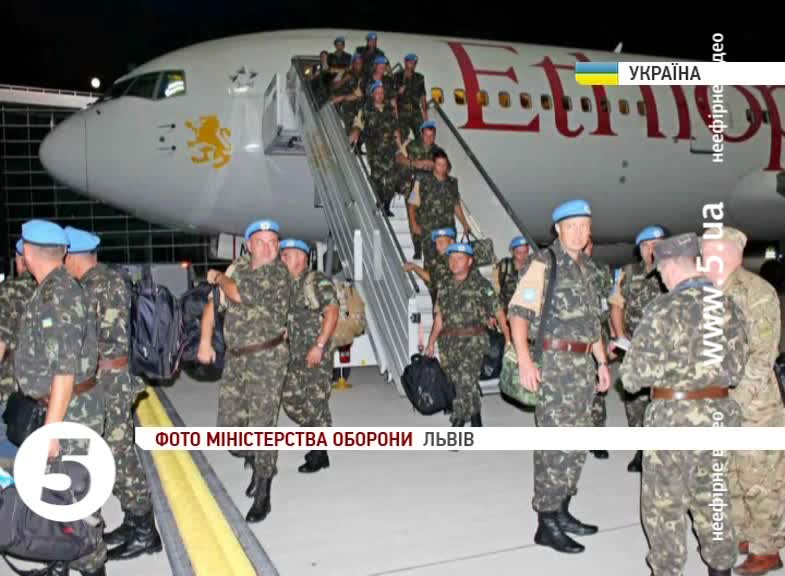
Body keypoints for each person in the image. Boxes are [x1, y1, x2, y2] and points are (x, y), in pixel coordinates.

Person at [621, 232, 747, 576]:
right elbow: (736, 370)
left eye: (661, 271)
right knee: (715, 500)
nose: (661, 278)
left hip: (672, 421)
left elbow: (631, 377)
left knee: (664, 507)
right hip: (719, 418)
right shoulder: (728, 307)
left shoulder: (662, 309)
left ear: (670, 267)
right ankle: (721, 567)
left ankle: (668, 569)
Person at [508, 199, 610, 554]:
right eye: (572, 226)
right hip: (554, 366)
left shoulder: (589, 269)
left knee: (577, 443)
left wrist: (601, 363)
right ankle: (546, 521)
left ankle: (563, 509)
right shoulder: (543, 263)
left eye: (584, 226)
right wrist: (525, 360)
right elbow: (518, 313)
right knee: (554, 446)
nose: (579, 233)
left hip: (582, 367)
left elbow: (594, 323)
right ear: (558, 229)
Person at [63, 227, 162, 561]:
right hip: (107, 378)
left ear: (73, 256)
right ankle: (135, 522)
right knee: (112, 453)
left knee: (119, 456)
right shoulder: (102, 280)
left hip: (108, 381)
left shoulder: (95, 285)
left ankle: (146, 532)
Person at [15, 220, 105, 576]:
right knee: (57, 497)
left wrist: (51, 433)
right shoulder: (52, 288)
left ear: (27, 251)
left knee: (77, 503)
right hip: (61, 409)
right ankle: (60, 563)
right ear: (64, 252)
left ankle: (93, 568)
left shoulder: (58, 295)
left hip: (70, 414)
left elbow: (64, 372)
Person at [702, 227, 785, 575]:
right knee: (732, 475)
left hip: (755, 407)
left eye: (709, 250)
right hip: (721, 402)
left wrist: (732, 400)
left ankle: (768, 548)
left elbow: (762, 358)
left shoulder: (757, 292)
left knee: (760, 479)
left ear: (730, 252)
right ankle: (745, 535)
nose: (704, 257)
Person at [198, 219, 292, 523]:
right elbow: (214, 304)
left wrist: (218, 277)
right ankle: (255, 459)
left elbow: (238, 294)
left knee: (263, 426)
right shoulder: (237, 268)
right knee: (229, 431)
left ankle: (263, 490)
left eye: (273, 242)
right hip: (236, 359)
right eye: (260, 242)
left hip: (268, 358)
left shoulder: (278, 273)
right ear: (248, 245)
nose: (267, 248)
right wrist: (205, 341)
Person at [425, 243, 509, 426]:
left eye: (459, 258)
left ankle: (458, 421)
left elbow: (499, 313)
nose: (454, 262)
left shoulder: (481, 285)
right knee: (460, 382)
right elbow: (439, 318)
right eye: (451, 258)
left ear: (470, 261)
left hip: (473, 342)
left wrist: (509, 340)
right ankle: (476, 421)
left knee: (464, 381)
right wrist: (431, 342)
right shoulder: (444, 286)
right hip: (449, 343)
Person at [608, 225, 667, 472]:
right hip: (636, 348)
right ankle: (642, 451)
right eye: (645, 246)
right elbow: (616, 306)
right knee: (635, 402)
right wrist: (620, 336)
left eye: (656, 245)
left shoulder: (674, 270)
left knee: (666, 400)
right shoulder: (628, 273)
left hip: (667, 350)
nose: (651, 250)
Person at [279, 239, 339, 474]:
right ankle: (318, 433)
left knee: (315, 402)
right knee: (290, 400)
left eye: (287, 255)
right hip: (295, 354)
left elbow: (332, 312)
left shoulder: (317, 281)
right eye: (282, 255)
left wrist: (320, 345)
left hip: (317, 354)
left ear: (302, 258)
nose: (282, 259)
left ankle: (318, 454)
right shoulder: (289, 285)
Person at [0, 239, 37, 465]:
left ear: (21, 259)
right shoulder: (58, 289)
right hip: (49, 390)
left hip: (11, 390)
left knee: (8, 452)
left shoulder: (10, 291)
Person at [407, 150, 471, 272]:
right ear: (433, 164)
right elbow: (412, 203)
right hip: (429, 229)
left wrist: (464, 223)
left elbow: (456, 205)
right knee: (430, 264)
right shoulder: (422, 180)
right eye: (439, 164)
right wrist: (413, 223)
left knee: (449, 263)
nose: (441, 168)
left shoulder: (452, 183)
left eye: (444, 165)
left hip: (448, 230)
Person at [349, 81, 401, 217]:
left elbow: (396, 129)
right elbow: (357, 124)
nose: (380, 95)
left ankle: (386, 205)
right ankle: (380, 200)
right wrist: (353, 136)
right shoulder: (366, 109)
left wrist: (400, 149)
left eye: (381, 93)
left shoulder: (390, 109)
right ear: (372, 94)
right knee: (376, 178)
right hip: (374, 150)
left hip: (390, 149)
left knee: (391, 179)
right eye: (377, 93)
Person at [582, 234, 614, 460]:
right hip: (570, 335)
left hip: (596, 334)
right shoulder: (562, 269)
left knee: (597, 386)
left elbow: (610, 304)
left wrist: (613, 335)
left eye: (588, 244)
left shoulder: (601, 270)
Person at [396, 120, 444, 259]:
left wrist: (434, 165)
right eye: (426, 135)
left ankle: (429, 246)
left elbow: (447, 168)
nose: (429, 138)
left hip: (430, 190)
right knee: (413, 216)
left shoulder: (438, 151)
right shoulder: (411, 144)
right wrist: (414, 163)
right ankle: (417, 248)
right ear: (422, 135)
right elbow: (398, 157)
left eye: (432, 136)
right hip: (413, 186)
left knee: (429, 218)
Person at [403, 227, 455, 304]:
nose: (438, 246)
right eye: (436, 243)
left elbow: (433, 279)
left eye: (441, 242)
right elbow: (431, 280)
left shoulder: (457, 259)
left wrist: (415, 267)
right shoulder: (438, 259)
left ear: (452, 242)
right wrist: (415, 267)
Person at [393, 53, 428, 142]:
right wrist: (398, 92)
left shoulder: (419, 78)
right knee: (402, 137)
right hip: (402, 112)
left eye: (414, 63)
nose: (412, 64)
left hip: (415, 112)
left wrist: (425, 116)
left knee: (422, 136)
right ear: (405, 62)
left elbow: (423, 96)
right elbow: (392, 96)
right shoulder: (397, 76)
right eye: (410, 62)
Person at [493, 235, 530, 314]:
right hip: (506, 310)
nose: (523, 256)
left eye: (525, 252)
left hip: (527, 310)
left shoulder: (533, 266)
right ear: (512, 252)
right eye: (519, 253)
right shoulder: (504, 265)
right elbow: (495, 289)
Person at [332, 53, 365, 133]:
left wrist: (343, 97)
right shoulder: (345, 73)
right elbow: (334, 87)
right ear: (352, 64)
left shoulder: (363, 78)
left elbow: (360, 95)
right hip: (337, 107)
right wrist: (344, 80)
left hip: (352, 111)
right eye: (356, 63)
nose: (358, 65)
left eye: (360, 63)